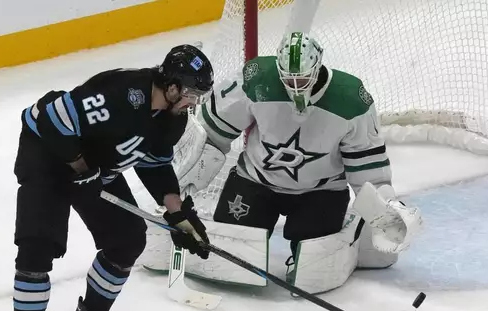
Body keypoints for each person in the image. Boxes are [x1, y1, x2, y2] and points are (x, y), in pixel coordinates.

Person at [0, 44, 214, 311]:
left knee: (127, 239)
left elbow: (155, 164)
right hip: (48, 156)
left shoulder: (172, 121)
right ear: (172, 86)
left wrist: (178, 214)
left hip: (95, 165)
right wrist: (81, 168)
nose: (192, 102)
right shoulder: (120, 94)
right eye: (190, 93)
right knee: (36, 249)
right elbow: (53, 119)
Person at [145, 32, 422, 294]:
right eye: (289, 80)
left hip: (320, 191)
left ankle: (353, 239)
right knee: (231, 259)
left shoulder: (351, 100)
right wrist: (184, 189)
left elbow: (368, 169)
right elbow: (213, 136)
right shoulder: (256, 80)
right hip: (256, 181)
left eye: (302, 80)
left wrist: (386, 208)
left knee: (313, 270)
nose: (295, 87)